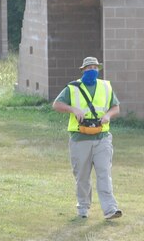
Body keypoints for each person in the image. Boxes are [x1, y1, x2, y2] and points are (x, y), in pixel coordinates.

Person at [52, 56, 122, 220]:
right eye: (89, 68)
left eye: (95, 68)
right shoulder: (72, 88)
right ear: (83, 70)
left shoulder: (105, 87)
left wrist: (108, 116)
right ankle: (83, 208)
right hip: (80, 138)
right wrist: (73, 110)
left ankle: (110, 209)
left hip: (102, 137)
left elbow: (116, 107)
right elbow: (57, 105)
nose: (92, 70)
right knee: (82, 176)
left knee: (104, 173)